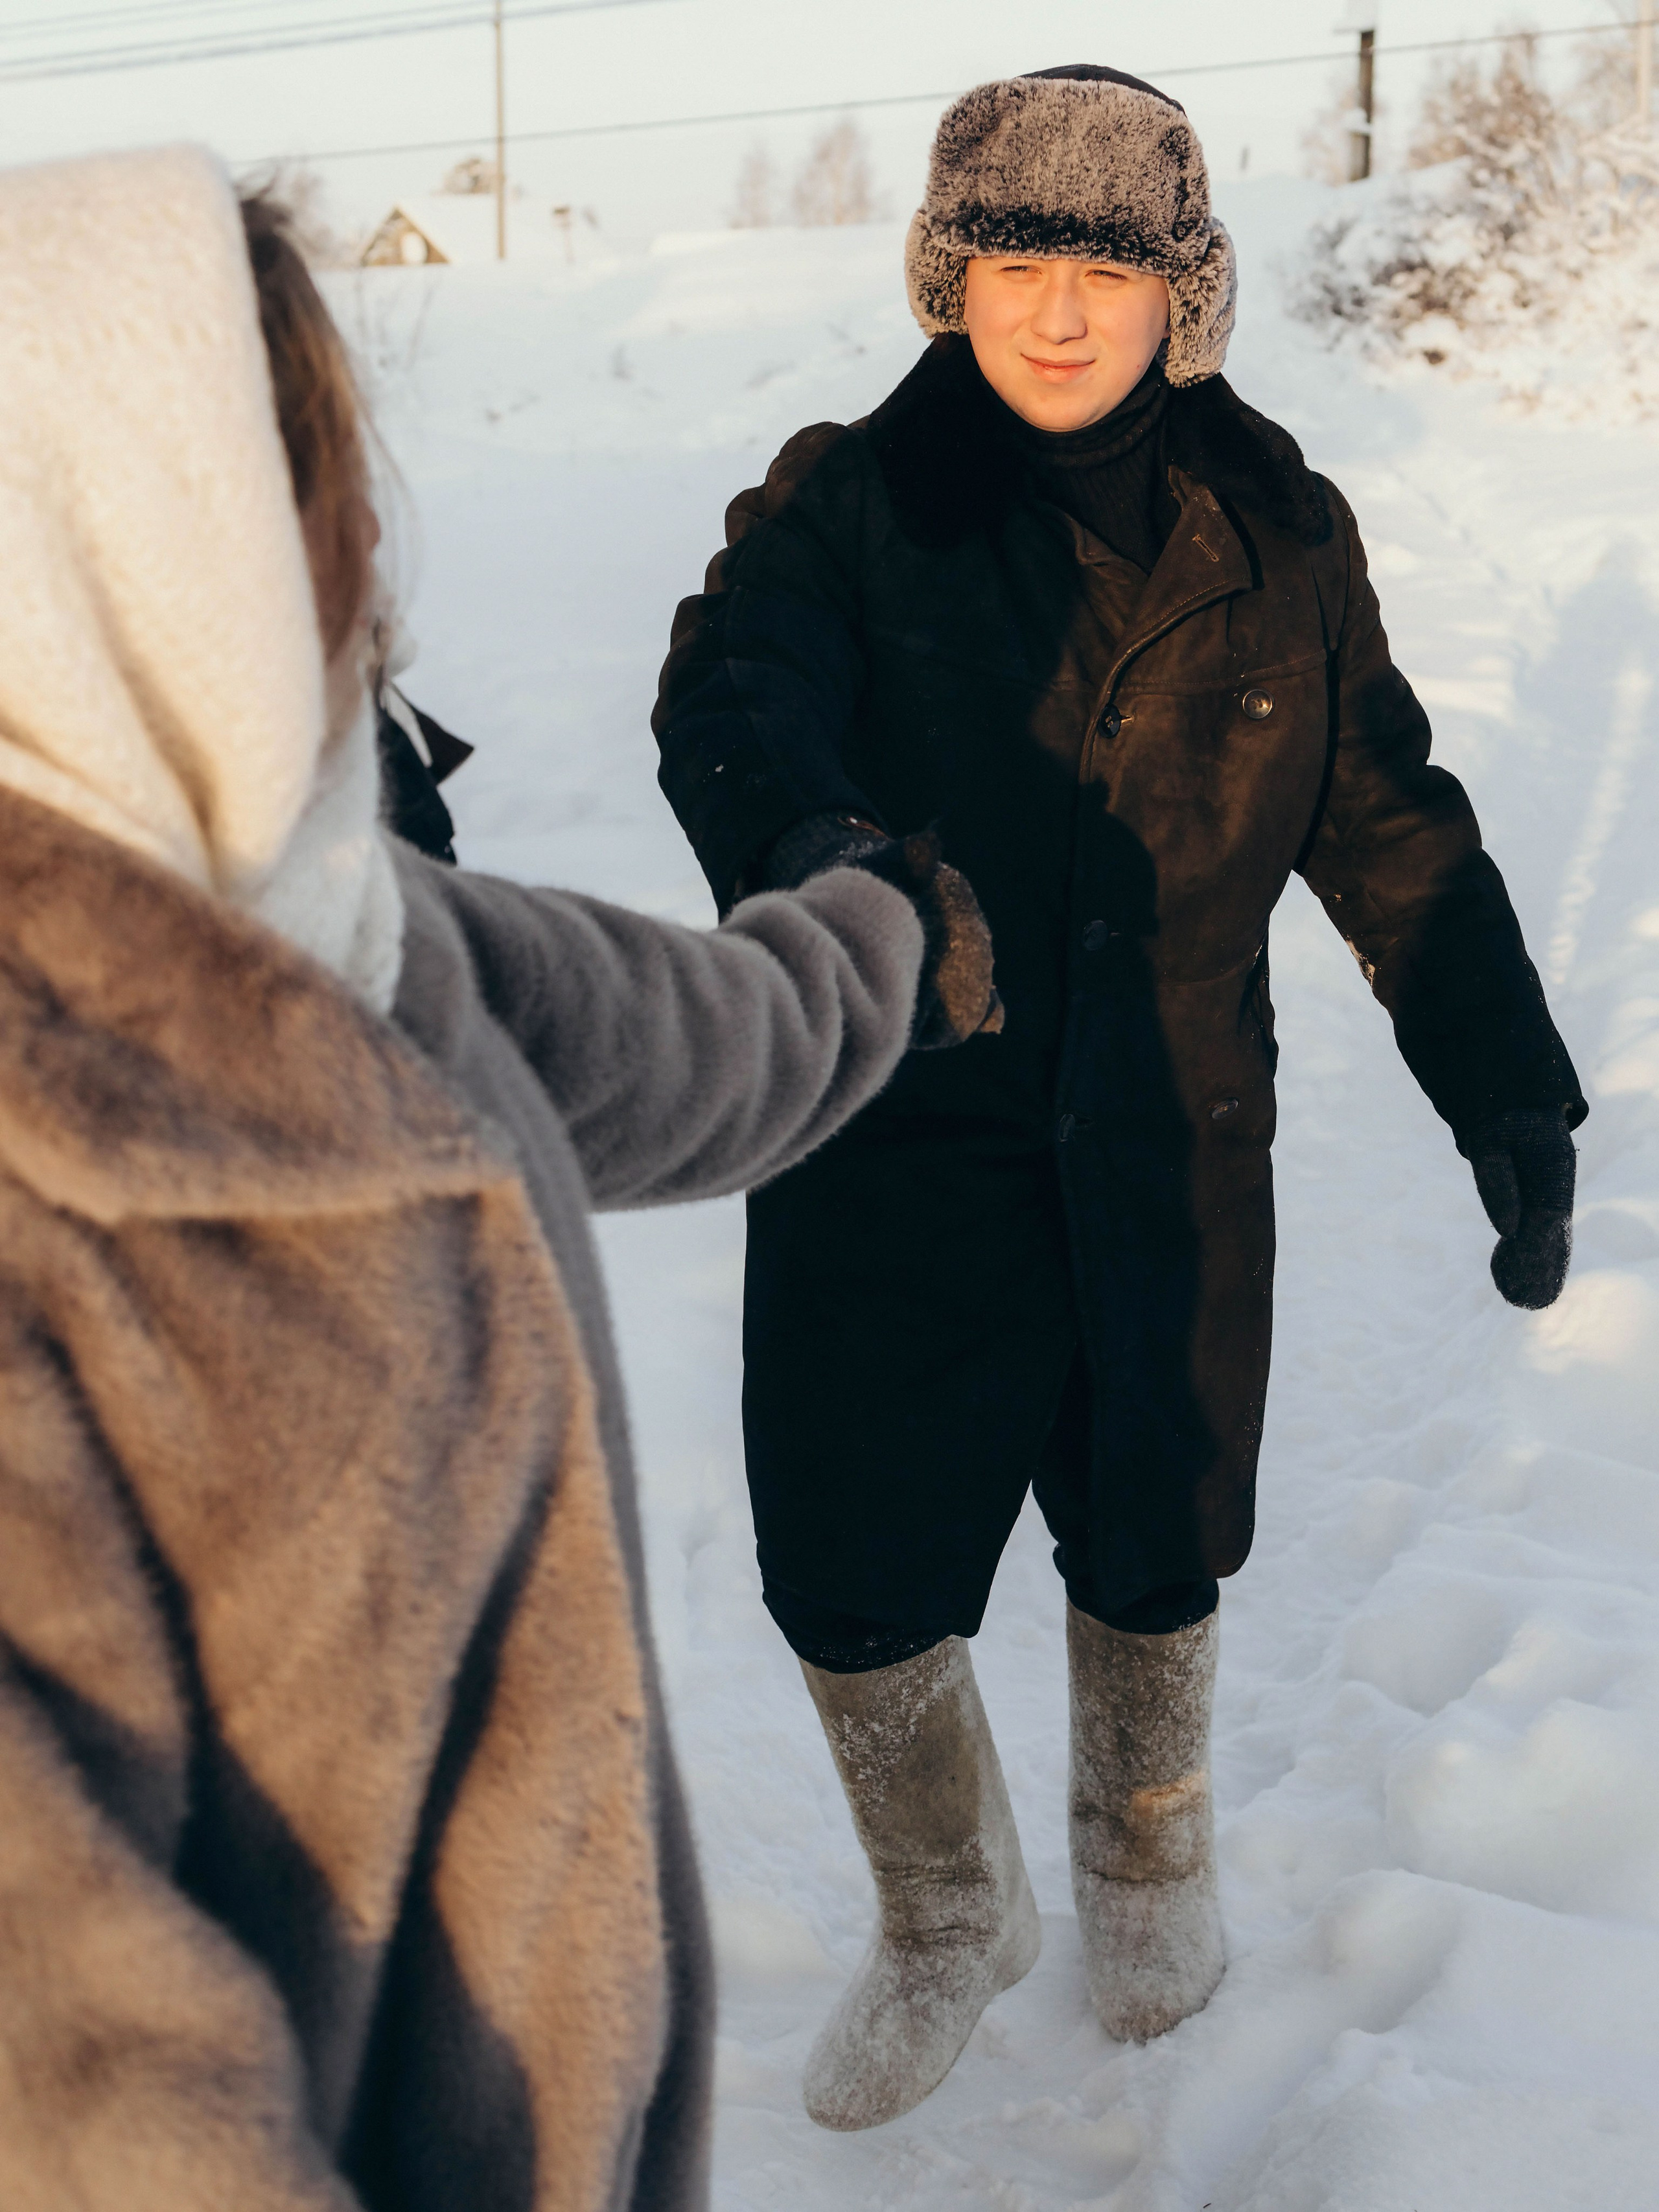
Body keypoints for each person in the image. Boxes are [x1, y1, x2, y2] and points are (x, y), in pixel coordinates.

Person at [0, 147, 997, 2211]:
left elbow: (720, 1043)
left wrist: (876, 918)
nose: (360, 555)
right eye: (292, 471)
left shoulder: (348, 936)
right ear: (128, 522)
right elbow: (87, 2105)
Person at [653, 64, 1586, 2130]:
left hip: (1166, 1145)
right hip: (897, 1150)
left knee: (1155, 1531)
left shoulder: (1277, 533)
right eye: (1011, 261)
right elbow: (728, 690)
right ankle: (945, 1910)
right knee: (856, 1563)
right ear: (947, 279)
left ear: (1186, 290)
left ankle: (1145, 1870)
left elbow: (1394, 829)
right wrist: (823, 850)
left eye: (1106, 264)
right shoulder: (847, 504)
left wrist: (1511, 1095)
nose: (1057, 311)